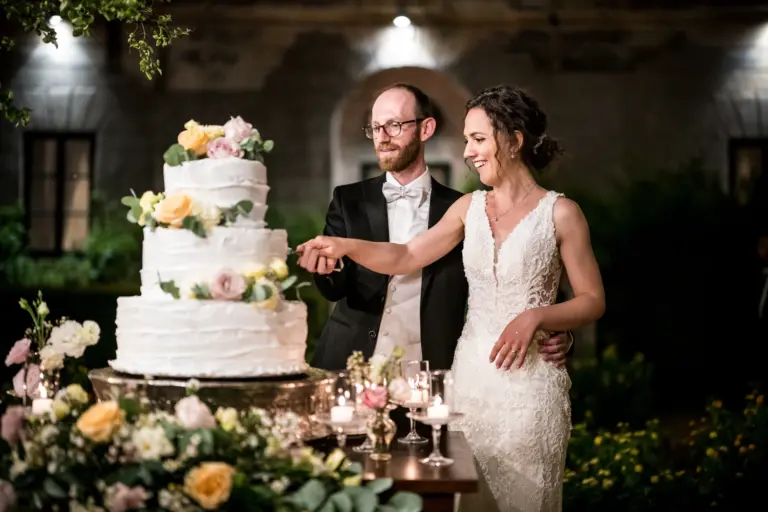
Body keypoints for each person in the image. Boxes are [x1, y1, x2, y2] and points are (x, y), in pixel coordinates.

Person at [298, 84, 606, 511]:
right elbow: (406, 255)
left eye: (478, 139)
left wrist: (542, 320)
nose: (468, 152)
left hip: (525, 385)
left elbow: (591, 299)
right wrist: (346, 247)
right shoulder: (469, 210)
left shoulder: (558, 212)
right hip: (465, 381)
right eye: (467, 140)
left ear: (514, 141)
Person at [302, 83, 572, 378]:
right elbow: (336, 286)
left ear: (426, 128)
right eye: (375, 127)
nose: (382, 137)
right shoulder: (347, 199)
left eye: (393, 125)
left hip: (435, 373)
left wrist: (559, 333)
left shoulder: (467, 209)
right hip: (351, 364)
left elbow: (528, 276)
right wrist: (326, 266)